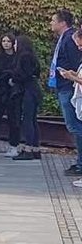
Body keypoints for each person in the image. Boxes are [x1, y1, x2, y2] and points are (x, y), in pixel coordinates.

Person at [51, 10, 82, 177]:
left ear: (62, 23)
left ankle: (81, 163)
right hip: (64, 84)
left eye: (53, 20)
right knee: (74, 125)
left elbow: (77, 63)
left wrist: (70, 76)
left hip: (68, 86)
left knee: (75, 125)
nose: (51, 23)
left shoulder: (70, 39)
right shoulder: (64, 38)